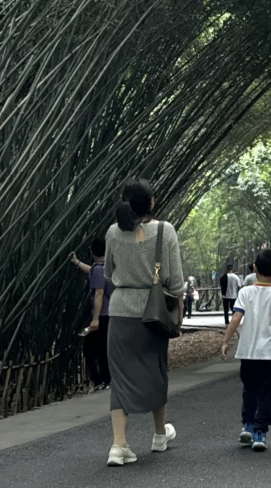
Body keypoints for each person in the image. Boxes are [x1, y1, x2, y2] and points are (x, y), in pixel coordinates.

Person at [102, 178, 184, 467]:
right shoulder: (165, 230)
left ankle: (118, 445)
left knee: (120, 377)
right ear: (151, 202)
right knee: (157, 370)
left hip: (121, 312)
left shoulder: (113, 232)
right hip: (153, 313)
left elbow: (109, 273)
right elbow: (175, 281)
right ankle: (160, 435)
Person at [220, 249, 271, 452]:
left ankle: (247, 424)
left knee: (249, 389)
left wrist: (226, 341)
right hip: (269, 353)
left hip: (248, 352)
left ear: (254, 268)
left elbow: (236, 318)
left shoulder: (245, 292)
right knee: (266, 392)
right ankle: (259, 433)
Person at [69, 237, 113, 388]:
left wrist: (95, 319)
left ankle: (101, 380)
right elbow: (92, 270)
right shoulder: (106, 267)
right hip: (110, 314)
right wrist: (77, 262)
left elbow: (99, 293)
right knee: (102, 348)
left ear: (92, 251)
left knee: (90, 349)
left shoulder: (99, 269)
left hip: (101, 315)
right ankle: (104, 380)